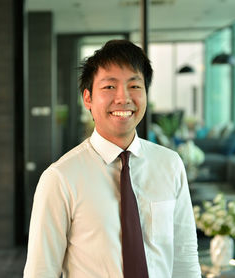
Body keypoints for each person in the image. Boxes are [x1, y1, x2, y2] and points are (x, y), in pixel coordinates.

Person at [23, 39, 201, 278]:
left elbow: (184, 257)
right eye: (109, 87)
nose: (123, 98)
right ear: (87, 98)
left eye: (134, 86)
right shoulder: (60, 178)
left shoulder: (170, 164)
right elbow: (41, 271)